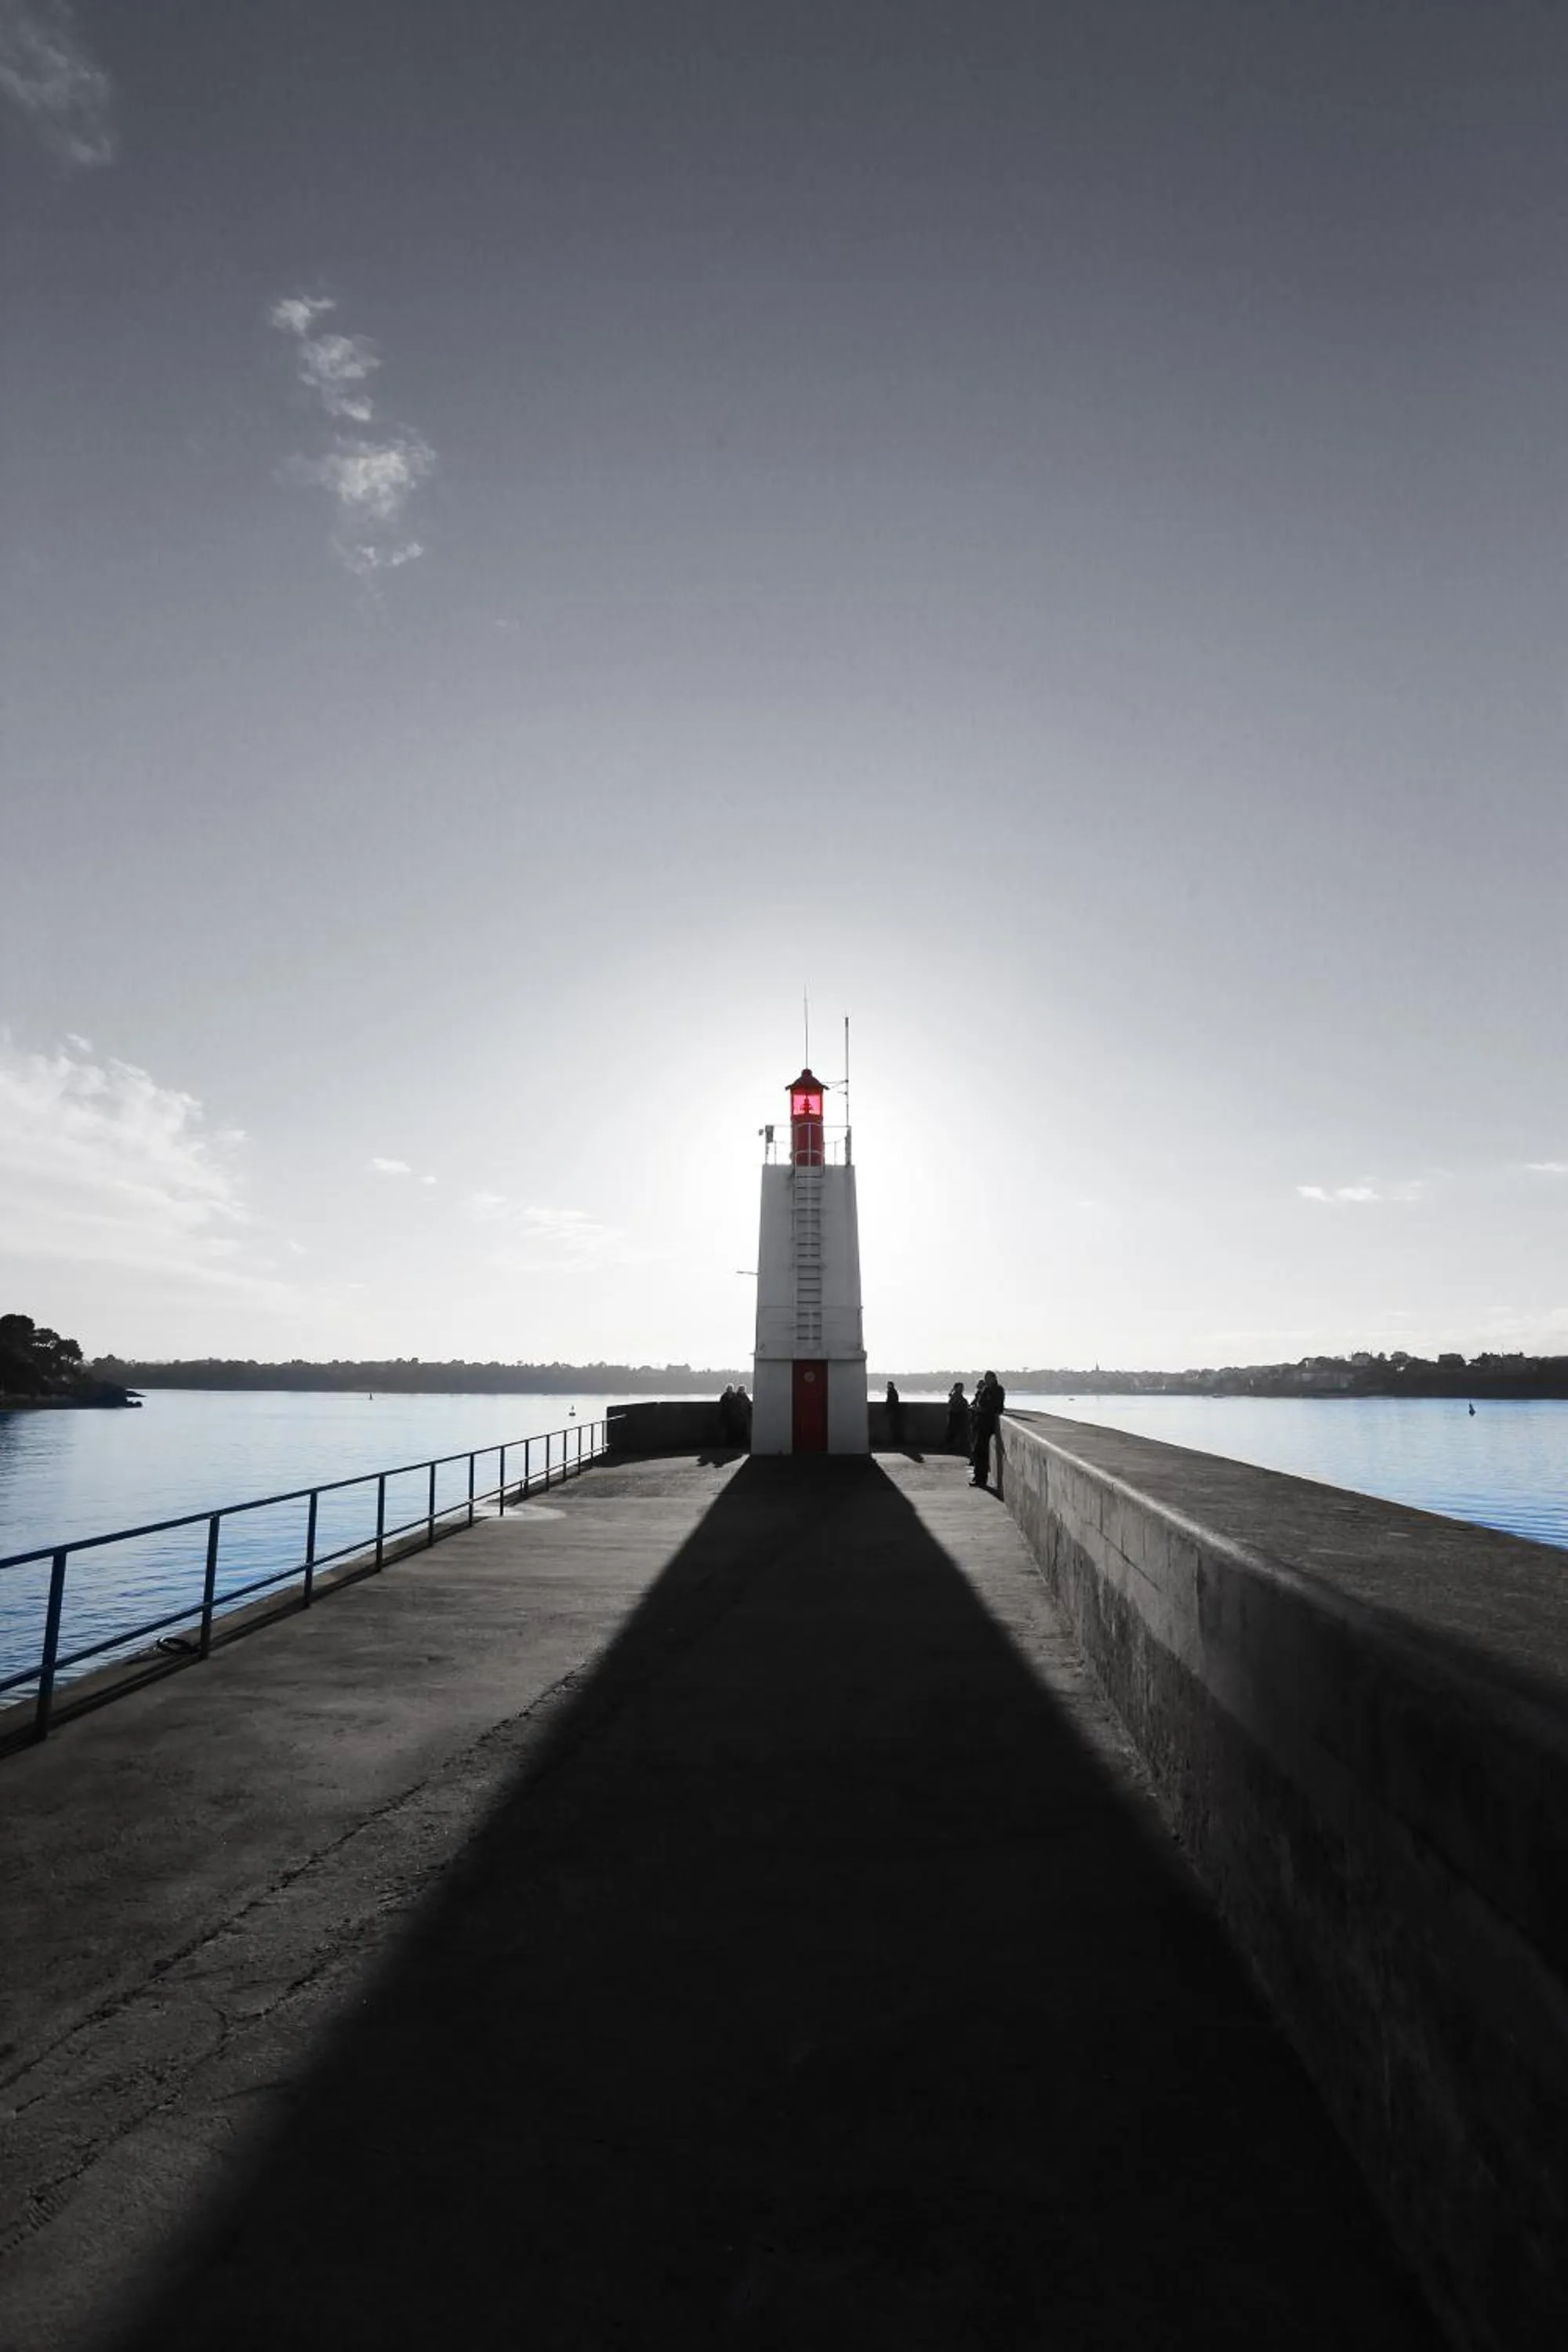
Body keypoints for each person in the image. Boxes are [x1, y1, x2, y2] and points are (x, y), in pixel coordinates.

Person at [970, 1370, 1006, 1489]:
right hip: (981, 1422)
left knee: (982, 1452)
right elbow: (982, 1403)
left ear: (994, 1378)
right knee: (977, 1451)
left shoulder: (999, 1390)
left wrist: (982, 1409)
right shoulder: (986, 1389)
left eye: (988, 1379)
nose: (987, 1381)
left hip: (989, 1423)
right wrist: (979, 1409)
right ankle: (978, 1477)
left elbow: (996, 1407)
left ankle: (981, 1479)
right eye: (986, 1379)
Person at [945, 1381, 968, 1450]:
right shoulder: (955, 1397)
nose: (962, 1389)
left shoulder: (956, 1396)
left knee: (954, 1432)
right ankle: (949, 1446)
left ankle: (951, 1446)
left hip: (958, 1415)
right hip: (955, 1415)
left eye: (962, 1388)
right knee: (953, 1432)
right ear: (956, 1388)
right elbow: (956, 1404)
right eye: (960, 1388)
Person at [884, 1379, 904, 1447]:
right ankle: (894, 1441)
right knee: (893, 1426)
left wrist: (887, 1408)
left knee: (893, 1426)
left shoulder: (891, 1392)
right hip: (894, 1410)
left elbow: (891, 1401)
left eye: (889, 1385)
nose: (888, 1386)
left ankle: (893, 1441)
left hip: (892, 1410)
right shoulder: (893, 1392)